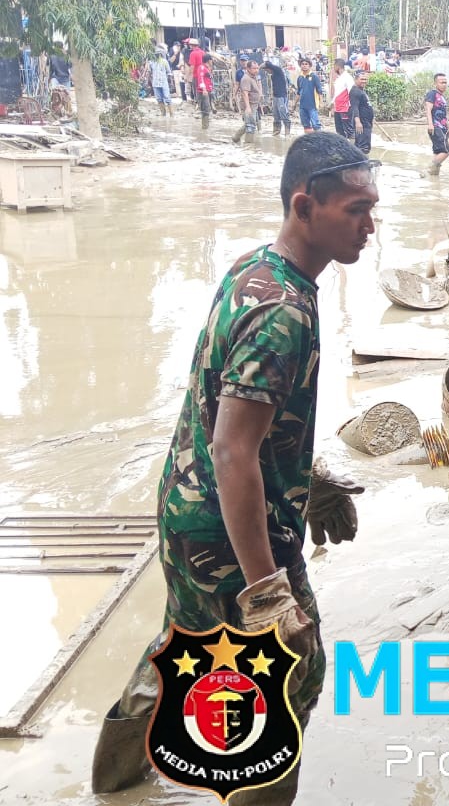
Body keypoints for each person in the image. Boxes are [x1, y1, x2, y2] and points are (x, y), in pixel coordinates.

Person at [91, 134, 378, 802]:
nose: (370, 224)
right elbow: (232, 450)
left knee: (187, 643)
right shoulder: (282, 312)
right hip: (229, 532)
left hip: (187, 509)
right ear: (304, 207)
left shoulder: (258, 271)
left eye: (372, 208)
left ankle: (113, 781)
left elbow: (231, 419)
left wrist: (307, 483)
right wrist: (266, 592)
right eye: (356, 209)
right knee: (290, 674)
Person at [423, 72, 449, 176]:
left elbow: (444, 115)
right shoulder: (432, 94)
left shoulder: (442, 97)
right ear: (435, 83)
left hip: (443, 128)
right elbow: (428, 109)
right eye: (441, 82)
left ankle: (433, 177)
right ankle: (427, 170)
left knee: (438, 152)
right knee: (447, 151)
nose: (444, 84)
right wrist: (430, 124)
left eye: (445, 82)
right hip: (436, 127)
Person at [233, 60, 263, 144]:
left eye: (257, 68)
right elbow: (244, 93)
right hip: (249, 105)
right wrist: (248, 107)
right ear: (248, 69)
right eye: (254, 68)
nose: (256, 70)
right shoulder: (246, 79)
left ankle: (236, 138)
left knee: (250, 124)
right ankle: (248, 145)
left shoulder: (254, 77)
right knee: (250, 125)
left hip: (254, 105)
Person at [296, 58, 325, 133]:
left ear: (310, 66)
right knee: (305, 124)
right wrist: (295, 103)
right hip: (302, 105)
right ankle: (308, 138)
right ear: (300, 66)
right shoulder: (300, 77)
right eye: (302, 64)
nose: (304, 66)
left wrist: (321, 102)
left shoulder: (314, 76)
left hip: (312, 105)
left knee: (315, 124)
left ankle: (319, 138)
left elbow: (319, 90)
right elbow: (298, 92)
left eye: (306, 64)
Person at [264, 57, 292, 136]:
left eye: (267, 70)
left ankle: (287, 132)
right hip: (275, 96)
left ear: (269, 68)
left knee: (283, 113)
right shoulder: (273, 76)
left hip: (281, 96)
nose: (267, 72)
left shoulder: (278, 71)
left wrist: (259, 67)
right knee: (276, 115)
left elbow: (267, 63)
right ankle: (276, 132)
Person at [350, 71, 375, 154]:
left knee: (359, 145)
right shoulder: (355, 91)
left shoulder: (361, 90)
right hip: (362, 123)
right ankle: (363, 161)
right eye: (362, 79)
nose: (364, 81)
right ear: (356, 80)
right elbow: (354, 107)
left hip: (366, 122)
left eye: (365, 79)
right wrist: (358, 122)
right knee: (364, 147)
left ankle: (356, 160)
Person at [190, 42, 213, 131]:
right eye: (211, 60)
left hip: (207, 90)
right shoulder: (202, 68)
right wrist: (204, 89)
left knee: (207, 109)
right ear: (209, 60)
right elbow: (200, 79)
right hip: (204, 91)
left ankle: (205, 127)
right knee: (206, 109)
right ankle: (205, 128)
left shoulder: (206, 68)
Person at [332, 59, 355, 139]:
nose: (333, 68)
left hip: (345, 108)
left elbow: (351, 92)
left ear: (337, 66)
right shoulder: (339, 78)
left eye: (334, 66)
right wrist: (332, 103)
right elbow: (337, 93)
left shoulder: (347, 77)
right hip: (338, 107)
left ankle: (353, 144)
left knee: (348, 129)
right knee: (339, 130)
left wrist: (352, 105)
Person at [148, 48, 173, 117]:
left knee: (167, 97)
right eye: (155, 54)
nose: (156, 55)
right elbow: (149, 72)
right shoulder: (151, 62)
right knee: (159, 98)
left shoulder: (164, 61)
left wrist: (171, 82)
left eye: (157, 54)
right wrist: (148, 81)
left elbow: (169, 72)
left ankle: (171, 114)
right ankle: (163, 113)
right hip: (155, 83)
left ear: (160, 54)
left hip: (164, 82)